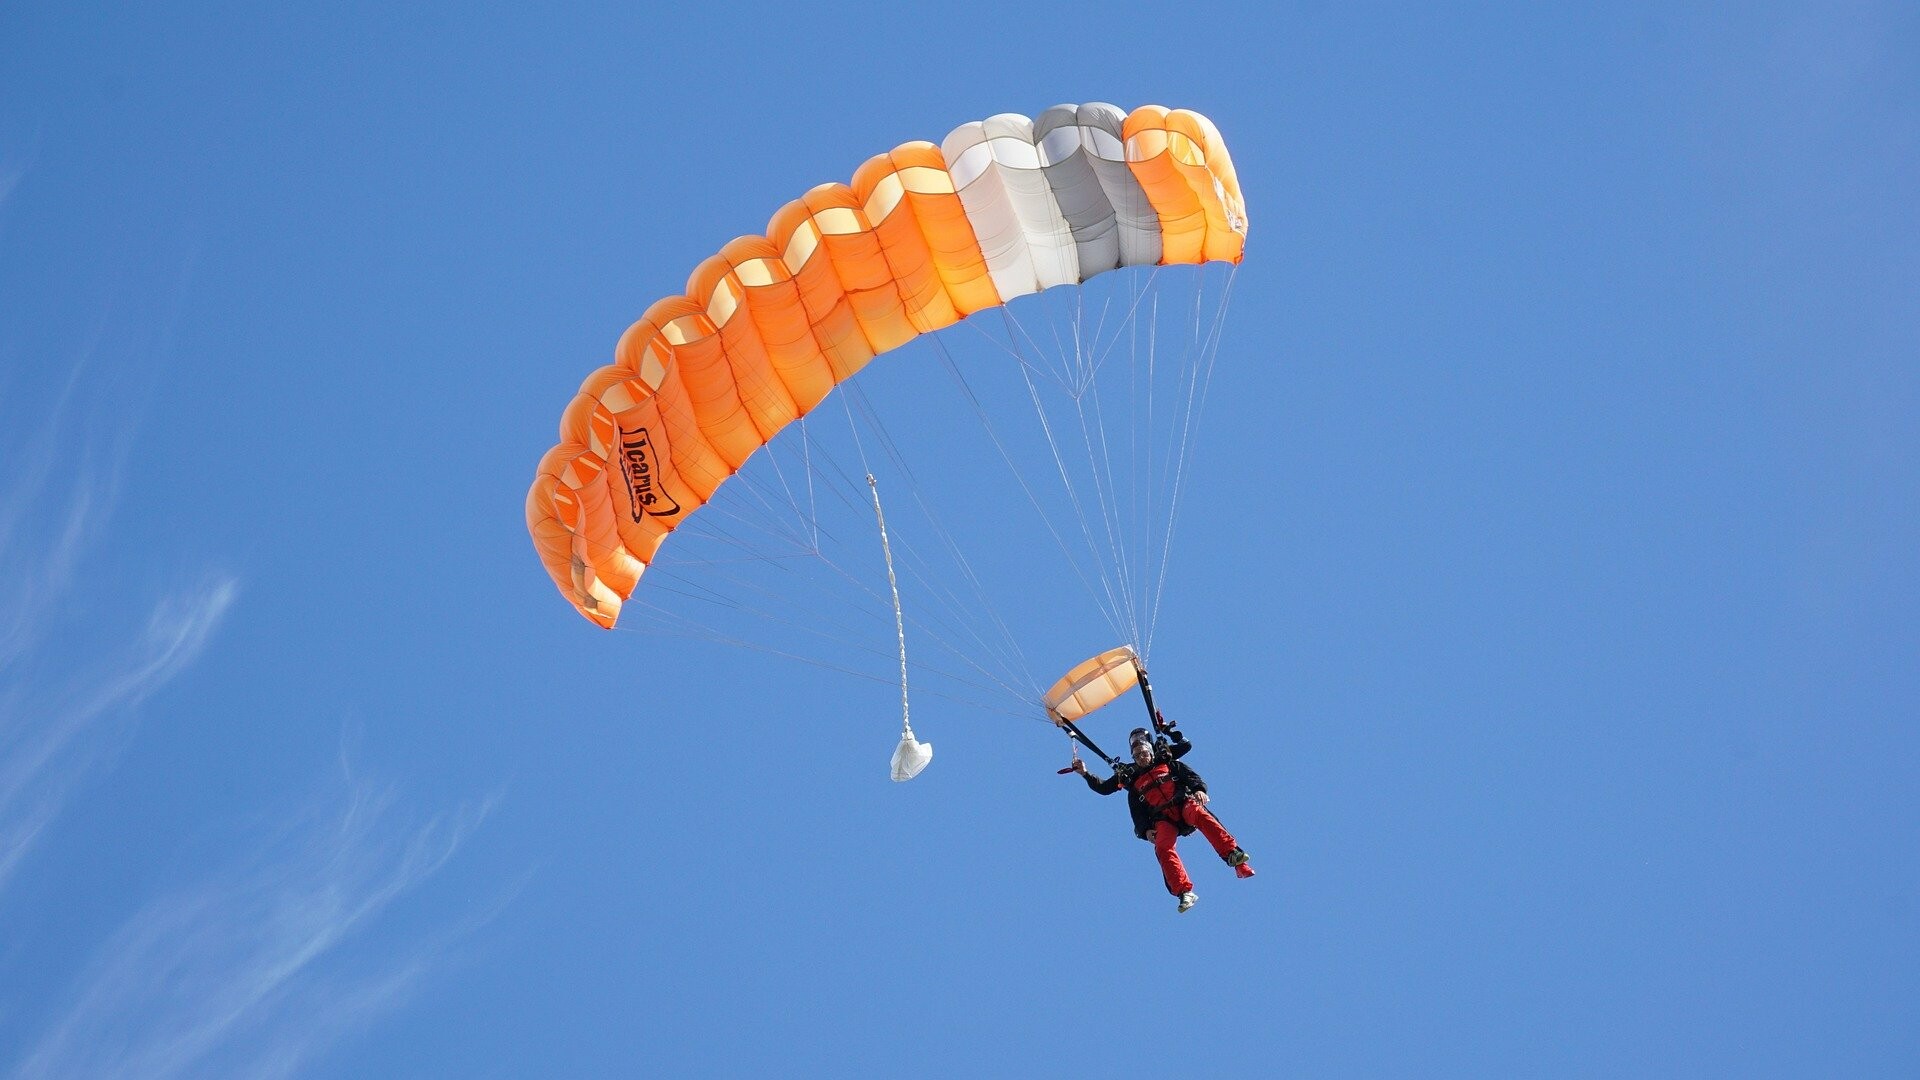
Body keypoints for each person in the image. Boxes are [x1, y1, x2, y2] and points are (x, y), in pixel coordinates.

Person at [1073, 723, 1254, 913]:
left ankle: (1233, 854)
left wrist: (1199, 790)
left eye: (1143, 752)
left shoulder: (1167, 761)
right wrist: (1085, 773)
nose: (1141, 756)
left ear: (1150, 750)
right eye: (1136, 754)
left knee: (1200, 814)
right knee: (1162, 847)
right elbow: (1108, 791)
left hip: (1183, 804)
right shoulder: (1130, 777)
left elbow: (1188, 760)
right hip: (1162, 818)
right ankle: (1184, 892)